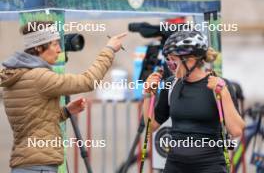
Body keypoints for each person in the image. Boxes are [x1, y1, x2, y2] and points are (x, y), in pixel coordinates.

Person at [0, 21, 126, 173]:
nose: (60, 50)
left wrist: (65, 111)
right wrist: (109, 49)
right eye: (54, 44)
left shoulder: (15, 76)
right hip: (39, 168)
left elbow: (34, 120)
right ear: (39, 47)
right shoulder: (39, 77)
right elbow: (88, 81)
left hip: (24, 165)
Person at [143, 30, 245, 173]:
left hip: (210, 166)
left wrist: (224, 93)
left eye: (173, 61)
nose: (169, 66)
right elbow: (150, 127)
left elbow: (236, 130)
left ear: (190, 60)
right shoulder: (170, 84)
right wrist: (147, 95)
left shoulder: (219, 85)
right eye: (168, 61)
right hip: (174, 165)